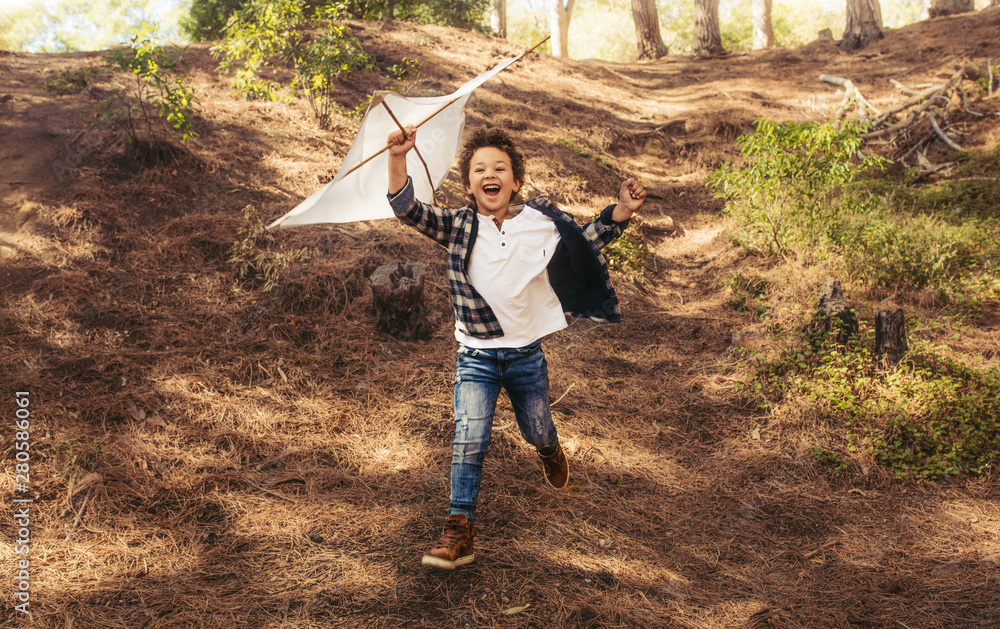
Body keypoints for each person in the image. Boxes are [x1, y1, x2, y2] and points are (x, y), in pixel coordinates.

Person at [386, 125, 646, 569]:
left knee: (538, 427)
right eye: (479, 169)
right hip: (476, 356)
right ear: (469, 185)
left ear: (515, 181)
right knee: (469, 437)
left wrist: (621, 209)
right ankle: (458, 528)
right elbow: (408, 209)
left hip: (526, 355)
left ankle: (549, 450)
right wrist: (398, 157)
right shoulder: (458, 226)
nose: (491, 174)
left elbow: (587, 241)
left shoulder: (540, 223)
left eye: (500, 168)